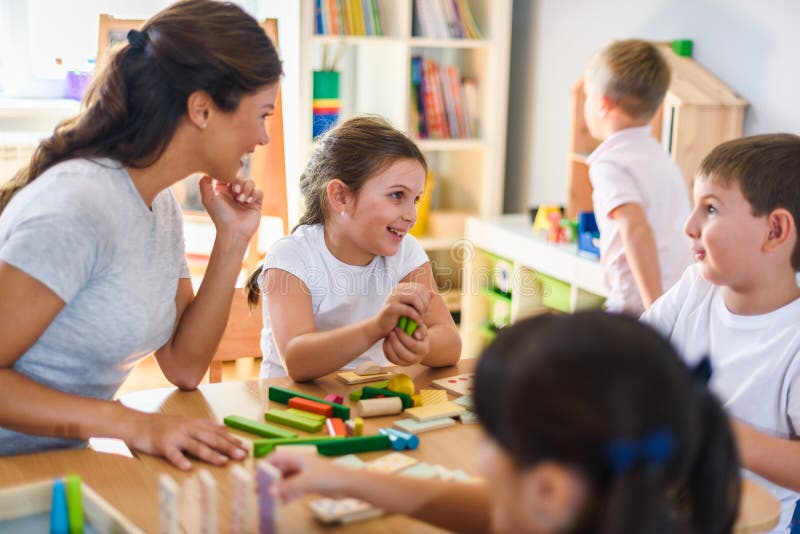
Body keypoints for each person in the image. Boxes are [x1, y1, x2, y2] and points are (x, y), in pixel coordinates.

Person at [0, 0, 282, 470]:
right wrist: (131, 422)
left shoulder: (159, 204)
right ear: (202, 109)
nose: (264, 137)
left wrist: (231, 239)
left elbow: (184, 365)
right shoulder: (78, 206)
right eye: (262, 114)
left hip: (55, 465)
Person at [267, 311, 740, 533]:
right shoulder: (620, 511)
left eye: (490, 439)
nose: (481, 459)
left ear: (549, 489)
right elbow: (490, 509)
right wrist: (345, 479)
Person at [642, 133, 800, 531]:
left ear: (775, 231)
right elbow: (632, 358)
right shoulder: (696, 287)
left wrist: (717, 432)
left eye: (710, 209)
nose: (689, 226)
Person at [246, 116, 461, 381]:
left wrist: (421, 345)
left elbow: (451, 343)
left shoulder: (406, 253)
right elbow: (297, 360)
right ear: (341, 196)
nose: (411, 216)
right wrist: (376, 328)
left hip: (367, 402)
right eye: (397, 196)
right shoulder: (292, 256)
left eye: (415, 199)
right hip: (292, 407)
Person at [583, 39, 692, 315]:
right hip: (676, 293)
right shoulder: (658, 155)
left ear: (603, 104)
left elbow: (635, 227)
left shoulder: (609, 162)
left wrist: (653, 306)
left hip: (637, 303)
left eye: (587, 96)